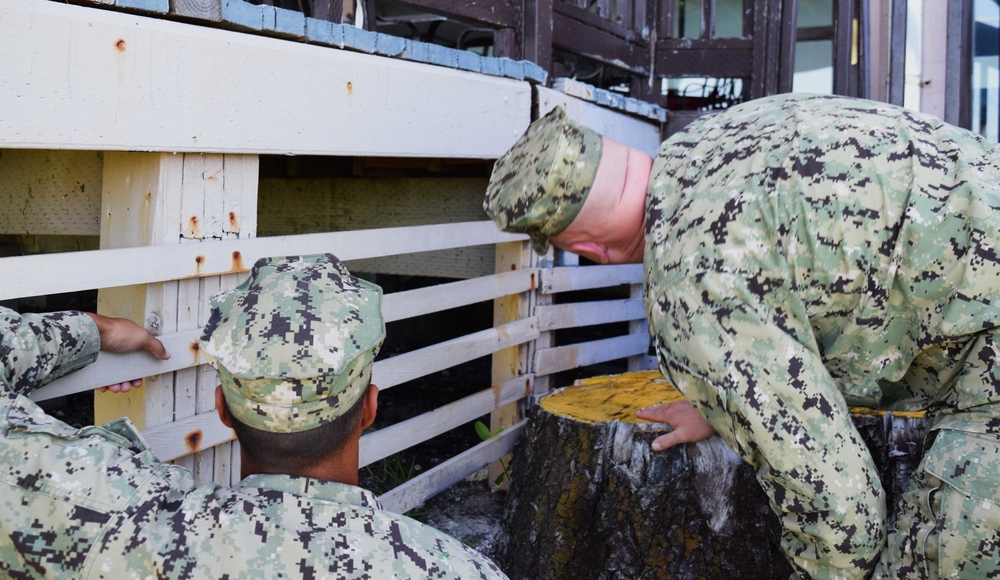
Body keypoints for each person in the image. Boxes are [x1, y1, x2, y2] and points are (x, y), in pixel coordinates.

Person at [483, 95, 1000, 579]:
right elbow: (830, 275)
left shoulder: (691, 285)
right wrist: (727, 398)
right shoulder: (713, 138)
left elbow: (841, 515)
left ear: (591, 248)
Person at [0, 253, 508, 579]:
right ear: (369, 407)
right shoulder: (449, 569)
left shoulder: (110, 525)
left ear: (223, 409)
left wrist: (92, 329)